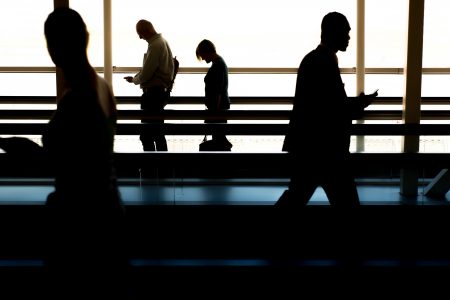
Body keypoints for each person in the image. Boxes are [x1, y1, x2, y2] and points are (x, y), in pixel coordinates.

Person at [43, 8, 128, 299]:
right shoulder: (102, 87)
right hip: (107, 215)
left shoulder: (76, 98)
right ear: (87, 38)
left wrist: (20, 147)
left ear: (52, 49)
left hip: (79, 226)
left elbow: (62, 163)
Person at [275, 12, 377, 207]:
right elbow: (335, 109)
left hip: (309, 148)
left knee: (296, 197)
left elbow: (325, 103)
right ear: (333, 32)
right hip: (326, 150)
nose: (348, 37)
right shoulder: (326, 61)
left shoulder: (313, 59)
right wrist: (361, 104)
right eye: (346, 32)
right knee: (346, 202)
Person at [125, 19, 174, 151]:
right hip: (159, 93)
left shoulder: (155, 45)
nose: (140, 37)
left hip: (152, 95)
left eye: (140, 33)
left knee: (146, 134)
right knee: (158, 133)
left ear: (146, 31)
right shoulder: (162, 42)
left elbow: (147, 73)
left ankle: (149, 168)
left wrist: (135, 80)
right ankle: (163, 169)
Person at [196, 39, 232, 151]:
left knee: (218, 139)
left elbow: (218, 91)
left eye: (202, 55)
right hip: (219, 108)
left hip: (217, 109)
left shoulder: (218, 65)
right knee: (219, 138)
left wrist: (214, 113)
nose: (202, 58)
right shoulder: (219, 63)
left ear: (207, 52)